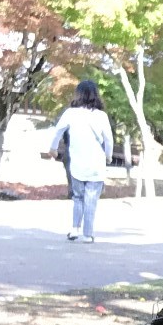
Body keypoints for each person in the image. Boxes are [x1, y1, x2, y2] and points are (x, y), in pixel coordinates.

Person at [48, 79, 113, 242]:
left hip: (77, 163)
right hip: (96, 164)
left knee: (78, 197)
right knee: (91, 199)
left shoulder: (70, 113)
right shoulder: (101, 116)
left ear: (78, 94)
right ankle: (88, 234)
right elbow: (109, 139)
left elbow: (57, 132)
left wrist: (53, 149)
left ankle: (75, 229)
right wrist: (108, 155)